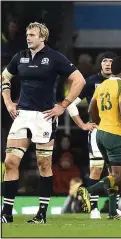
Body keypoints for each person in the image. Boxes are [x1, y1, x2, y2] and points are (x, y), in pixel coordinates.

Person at [1, 22, 85, 224]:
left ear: (42, 37)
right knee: (10, 162)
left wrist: (62, 105)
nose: (28, 37)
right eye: (27, 34)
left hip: (45, 116)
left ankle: (41, 214)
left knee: (44, 164)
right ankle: (6, 213)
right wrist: (9, 102)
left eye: (32, 35)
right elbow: (4, 77)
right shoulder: (19, 56)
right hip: (22, 115)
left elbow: (79, 80)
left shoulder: (54, 57)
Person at [65, 51, 121, 219]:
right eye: (104, 61)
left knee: (114, 173)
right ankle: (94, 208)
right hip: (98, 130)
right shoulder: (91, 82)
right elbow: (71, 104)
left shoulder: (120, 83)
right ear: (100, 64)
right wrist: (82, 124)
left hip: (116, 131)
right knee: (96, 169)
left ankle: (113, 210)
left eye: (111, 61)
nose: (107, 64)